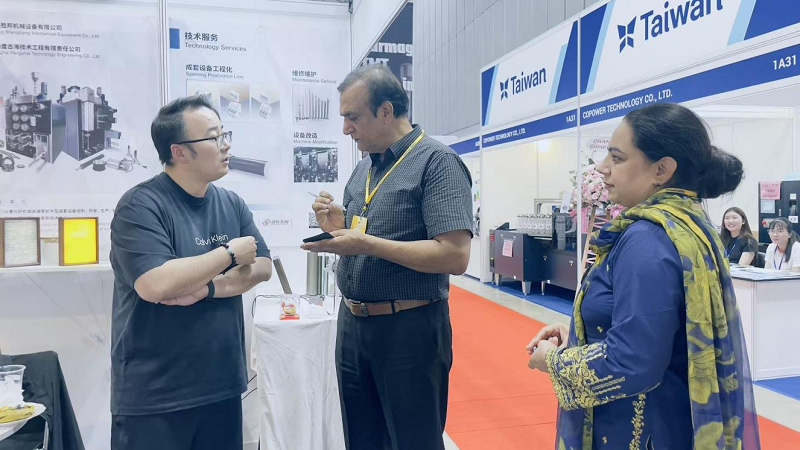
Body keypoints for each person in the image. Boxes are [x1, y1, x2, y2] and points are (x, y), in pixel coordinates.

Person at [525, 103, 759, 450]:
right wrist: (582, 333)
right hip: (676, 418)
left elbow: (631, 362)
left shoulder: (647, 237)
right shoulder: (687, 223)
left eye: (617, 158)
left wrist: (553, 361)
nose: (602, 168)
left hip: (639, 429)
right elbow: (661, 329)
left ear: (661, 169)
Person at [301, 64, 473, 450]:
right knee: (361, 439)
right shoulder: (365, 167)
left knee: (413, 441)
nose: (346, 129)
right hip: (353, 325)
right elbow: (371, 232)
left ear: (385, 111)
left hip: (408, 330)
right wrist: (341, 225)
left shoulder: (437, 162)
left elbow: (454, 255)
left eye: (352, 117)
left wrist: (366, 244)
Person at [109, 96, 272, 450]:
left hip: (221, 387)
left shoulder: (231, 203)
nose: (226, 145)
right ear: (179, 151)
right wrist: (228, 253)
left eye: (224, 134)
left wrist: (207, 289)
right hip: (156, 397)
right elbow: (155, 283)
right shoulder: (140, 206)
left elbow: (262, 266)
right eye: (214, 137)